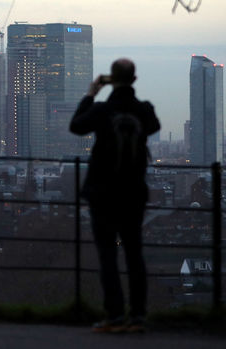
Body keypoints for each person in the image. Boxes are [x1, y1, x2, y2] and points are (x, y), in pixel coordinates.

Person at [70, 58, 160, 333]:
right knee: (134, 254)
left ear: (111, 78)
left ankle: (115, 315)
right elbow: (153, 127)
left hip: (103, 192)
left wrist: (90, 94)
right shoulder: (143, 111)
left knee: (107, 255)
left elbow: (76, 126)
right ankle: (138, 317)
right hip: (133, 192)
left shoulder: (101, 110)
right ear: (134, 79)